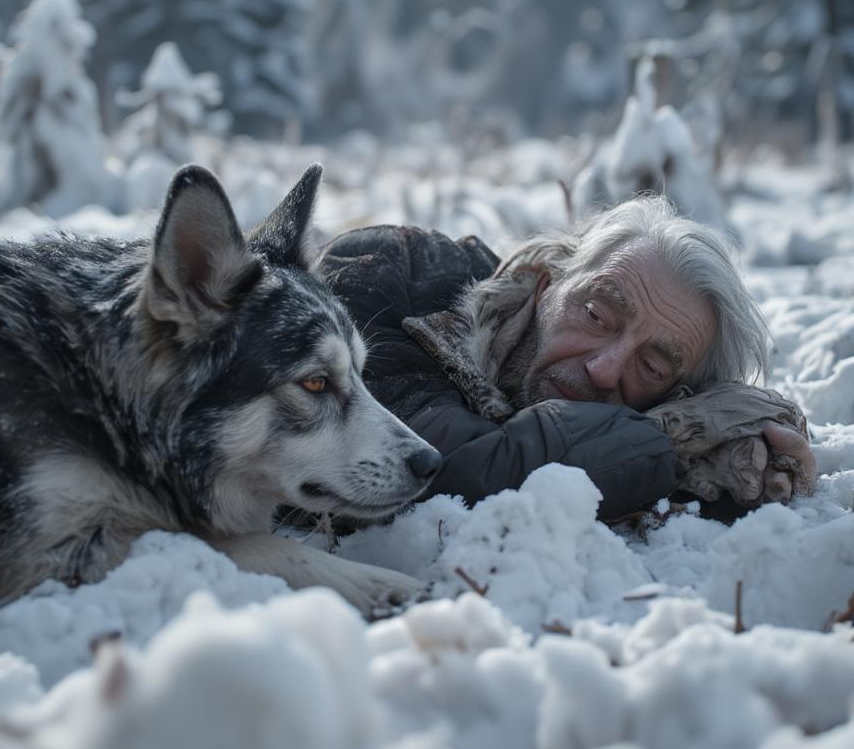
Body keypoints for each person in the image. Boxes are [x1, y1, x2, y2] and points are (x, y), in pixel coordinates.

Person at [316, 195, 815, 522]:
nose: (604, 369)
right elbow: (446, 472)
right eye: (596, 315)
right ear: (548, 281)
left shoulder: (650, 417)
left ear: (676, 392)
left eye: (652, 367)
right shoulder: (393, 275)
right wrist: (675, 437)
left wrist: (744, 450)